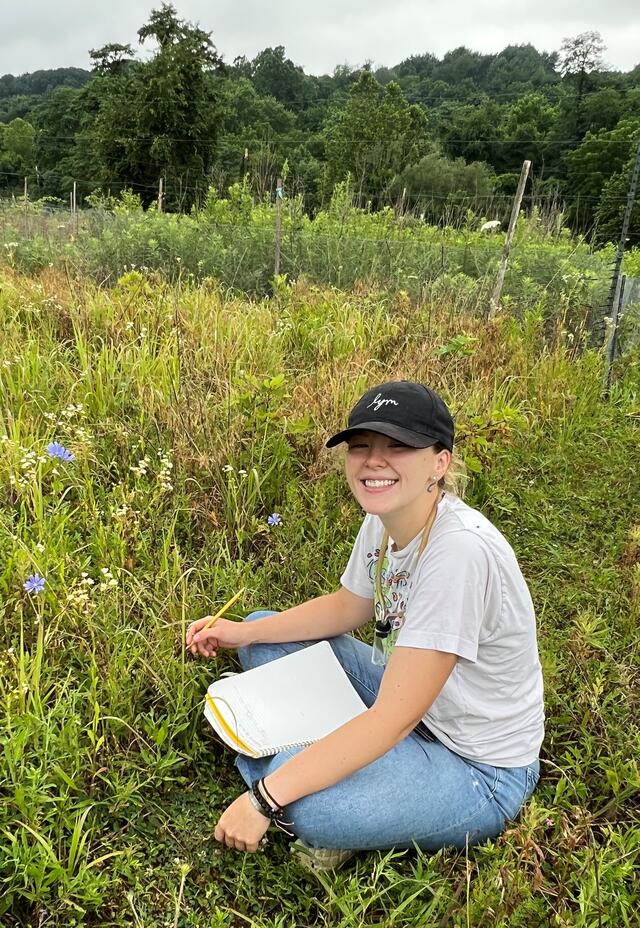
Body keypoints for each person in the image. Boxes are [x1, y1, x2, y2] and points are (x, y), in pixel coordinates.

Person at [186, 380, 544, 871]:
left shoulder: (459, 552)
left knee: (309, 807)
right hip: (409, 701)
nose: (374, 461)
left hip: (476, 767)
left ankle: (297, 765)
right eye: (362, 447)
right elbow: (348, 606)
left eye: (398, 446)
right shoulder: (387, 516)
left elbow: (391, 720)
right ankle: (317, 759)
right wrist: (240, 634)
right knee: (263, 631)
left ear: (439, 462)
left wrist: (263, 799)